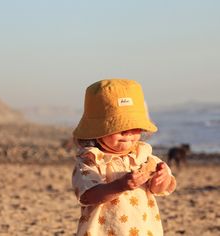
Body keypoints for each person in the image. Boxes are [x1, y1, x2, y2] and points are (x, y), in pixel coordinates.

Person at [72, 79, 176, 236]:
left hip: (143, 230)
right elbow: (87, 196)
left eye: (133, 126)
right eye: (118, 127)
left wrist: (162, 179)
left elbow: (160, 189)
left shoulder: (144, 157)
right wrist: (119, 186)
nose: (127, 132)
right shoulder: (90, 160)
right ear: (96, 130)